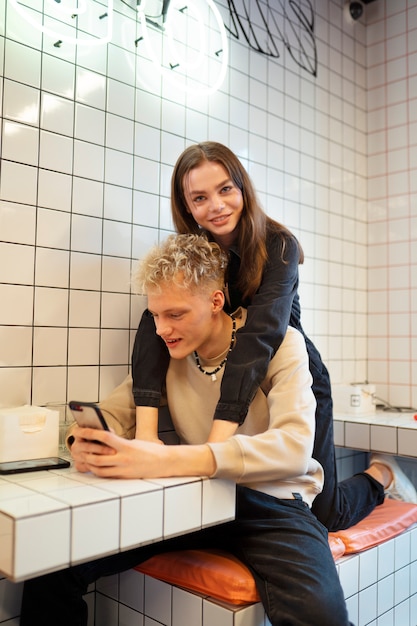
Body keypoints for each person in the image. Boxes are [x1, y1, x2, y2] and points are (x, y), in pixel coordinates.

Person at [21, 234, 353, 626]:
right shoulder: (168, 352)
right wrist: (83, 439)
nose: (162, 329)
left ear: (215, 301)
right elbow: (115, 410)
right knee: (51, 565)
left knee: (323, 618)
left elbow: (295, 448)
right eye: (156, 315)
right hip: (192, 499)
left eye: (175, 315)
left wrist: (167, 459)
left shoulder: (280, 345)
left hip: (271, 504)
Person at [132, 141, 417, 531]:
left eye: (225, 189)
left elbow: (259, 338)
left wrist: (215, 448)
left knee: (325, 514)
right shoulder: (194, 256)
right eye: (200, 197)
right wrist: (146, 435)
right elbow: (153, 323)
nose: (215, 205)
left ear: (243, 188)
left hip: (292, 373)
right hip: (241, 379)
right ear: (186, 207)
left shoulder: (278, 245)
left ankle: (383, 474)